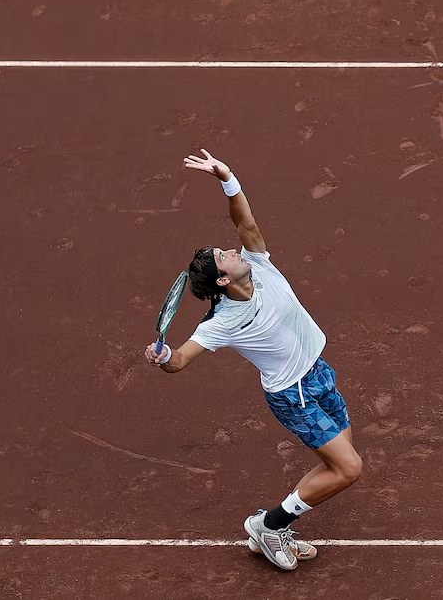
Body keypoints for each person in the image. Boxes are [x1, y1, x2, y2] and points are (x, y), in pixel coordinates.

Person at [143, 149, 363, 571]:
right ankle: (268, 525)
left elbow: (244, 222)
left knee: (338, 462)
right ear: (223, 280)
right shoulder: (220, 323)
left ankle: (277, 526)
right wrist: (164, 354)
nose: (233, 248)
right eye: (224, 255)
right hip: (292, 394)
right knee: (349, 468)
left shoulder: (259, 264)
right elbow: (180, 361)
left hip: (318, 372)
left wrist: (227, 177)